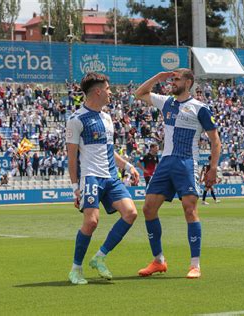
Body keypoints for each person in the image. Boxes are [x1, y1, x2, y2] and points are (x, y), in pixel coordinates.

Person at [135, 69, 221, 279]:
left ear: (188, 82)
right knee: (148, 208)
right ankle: (158, 261)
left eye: (176, 79)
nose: (172, 82)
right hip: (166, 162)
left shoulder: (200, 108)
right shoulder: (166, 102)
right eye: (172, 79)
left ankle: (195, 265)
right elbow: (140, 93)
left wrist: (212, 168)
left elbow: (215, 140)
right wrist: (157, 77)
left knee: (189, 209)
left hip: (186, 162)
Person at [66, 72, 139, 285]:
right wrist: (75, 188)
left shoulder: (107, 118)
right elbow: (71, 158)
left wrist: (127, 165)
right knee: (91, 222)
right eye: (108, 89)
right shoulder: (76, 120)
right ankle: (76, 269)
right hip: (91, 177)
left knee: (131, 213)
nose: (110, 93)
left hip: (111, 177)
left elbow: (109, 150)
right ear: (97, 91)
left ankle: (100, 257)